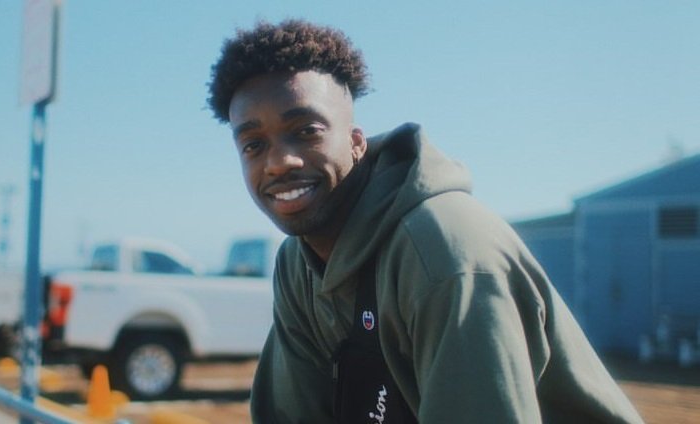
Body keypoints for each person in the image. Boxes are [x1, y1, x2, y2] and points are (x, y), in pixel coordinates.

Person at [207, 19, 644, 424]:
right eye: (253, 145)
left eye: (306, 131)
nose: (279, 162)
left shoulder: (445, 254)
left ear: (357, 143)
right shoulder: (298, 264)